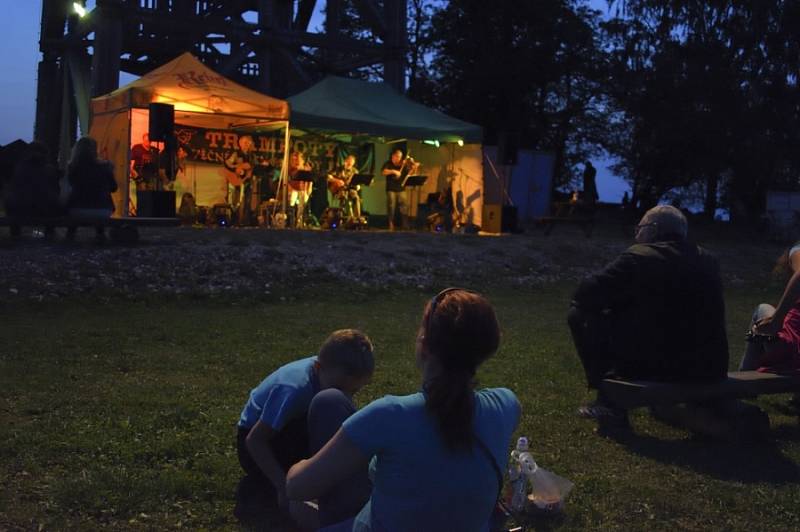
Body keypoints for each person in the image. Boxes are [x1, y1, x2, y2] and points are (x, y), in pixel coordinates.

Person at [286, 288, 520, 531]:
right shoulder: (506, 405)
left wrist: (300, 464)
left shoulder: (389, 415)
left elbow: (296, 486)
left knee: (298, 504)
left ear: (424, 345)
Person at [567, 205, 729, 425]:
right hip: (709, 366)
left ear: (653, 229)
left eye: (640, 227)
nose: (636, 234)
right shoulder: (708, 258)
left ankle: (609, 401)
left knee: (580, 315)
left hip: (658, 367)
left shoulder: (640, 256)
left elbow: (584, 295)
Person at [236, 329, 375, 521]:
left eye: (354, 391)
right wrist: (282, 486)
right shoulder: (295, 389)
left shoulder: (329, 371)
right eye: (340, 389)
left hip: (288, 428)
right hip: (257, 443)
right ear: (318, 367)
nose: (347, 397)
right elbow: (254, 440)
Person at [740, 243, 800, 375]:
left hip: (791, 348)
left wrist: (775, 320)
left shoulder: (797, 251)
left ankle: (744, 375)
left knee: (762, 309)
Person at [65, 137, 118, 243]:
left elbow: (70, 185)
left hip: (77, 209)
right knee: (99, 202)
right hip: (102, 210)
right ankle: (100, 233)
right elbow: (114, 188)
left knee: (76, 202)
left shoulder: (72, 168)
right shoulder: (105, 167)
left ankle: (70, 233)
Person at [3, 141, 61, 238]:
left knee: (11, 199)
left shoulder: (19, 168)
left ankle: (15, 234)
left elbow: (13, 188)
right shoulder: (49, 169)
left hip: (19, 209)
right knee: (53, 201)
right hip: (43, 210)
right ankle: (49, 233)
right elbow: (55, 191)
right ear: (46, 154)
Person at [381, 149, 417, 231]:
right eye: (397, 156)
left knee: (404, 206)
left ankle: (405, 224)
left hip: (401, 188)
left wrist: (414, 167)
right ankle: (391, 223)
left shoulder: (404, 164)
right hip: (391, 189)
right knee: (391, 206)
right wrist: (393, 171)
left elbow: (411, 173)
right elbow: (383, 172)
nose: (399, 158)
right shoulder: (388, 163)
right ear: (393, 156)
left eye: (400, 157)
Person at [224, 135, 256, 224]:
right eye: (245, 143)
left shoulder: (252, 156)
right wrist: (236, 168)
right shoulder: (236, 154)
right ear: (240, 143)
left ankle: (245, 222)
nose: (247, 145)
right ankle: (234, 222)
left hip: (248, 181)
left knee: (247, 202)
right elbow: (227, 163)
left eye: (249, 143)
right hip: (236, 182)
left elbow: (253, 167)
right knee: (235, 202)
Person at [327, 154, 362, 222]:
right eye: (348, 162)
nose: (349, 165)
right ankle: (347, 218)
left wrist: (358, 186)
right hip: (339, 189)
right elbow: (328, 177)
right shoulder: (339, 169)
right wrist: (337, 180)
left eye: (351, 164)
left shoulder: (355, 171)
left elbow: (358, 183)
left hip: (350, 189)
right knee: (344, 196)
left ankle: (357, 218)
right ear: (345, 161)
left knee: (356, 198)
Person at [287, 151, 313, 227]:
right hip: (293, 191)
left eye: (298, 159)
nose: (296, 161)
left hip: (303, 191)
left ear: (302, 160)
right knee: (293, 201)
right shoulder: (290, 170)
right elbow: (288, 181)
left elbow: (309, 181)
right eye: (294, 159)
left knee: (302, 200)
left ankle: (300, 222)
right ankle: (292, 221)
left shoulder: (305, 169)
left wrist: (308, 191)